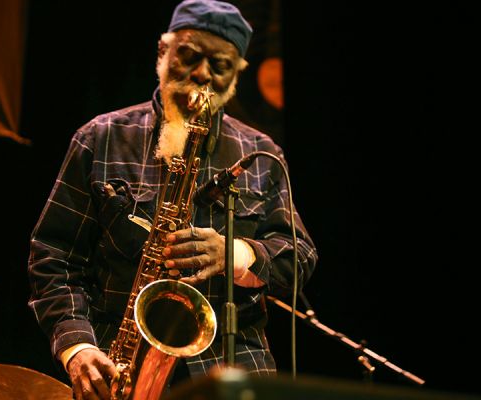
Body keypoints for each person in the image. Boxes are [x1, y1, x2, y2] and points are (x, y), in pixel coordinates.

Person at [28, 0, 318, 399]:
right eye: (189, 55)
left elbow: (300, 257)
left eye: (219, 66)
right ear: (162, 52)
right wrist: (77, 348)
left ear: (236, 77)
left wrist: (235, 254)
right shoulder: (99, 138)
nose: (201, 74)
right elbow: (53, 257)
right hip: (118, 368)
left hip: (231, 371)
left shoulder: (262, 155)